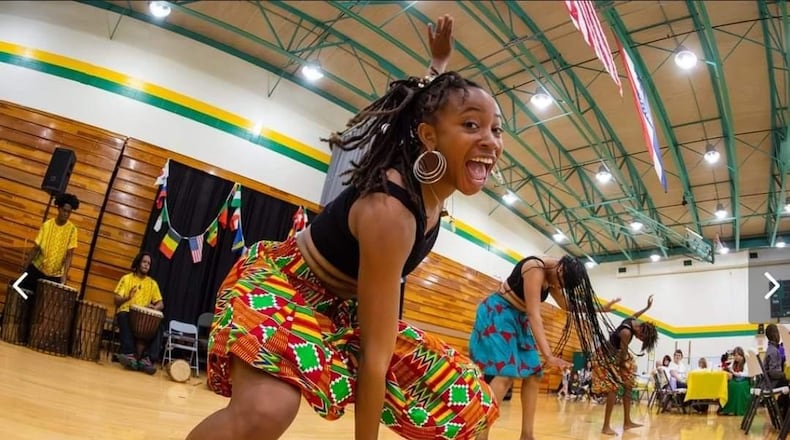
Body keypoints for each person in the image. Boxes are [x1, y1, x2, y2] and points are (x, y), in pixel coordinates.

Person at [187, 17, 504, 440]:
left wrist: (438, 63)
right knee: (267, 409)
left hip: (343, 312)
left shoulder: (428, 182)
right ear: (429, 137)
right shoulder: (390, 212)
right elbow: (376, 357)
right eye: (471, 125)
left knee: (471, 403)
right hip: (284, 289)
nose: (490, 140)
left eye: (496, 129)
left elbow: (417, 107)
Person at [469, 255, 622, 440]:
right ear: (560, 269)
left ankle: (527, 435)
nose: (560, 287)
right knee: (505, 374)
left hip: (518, 319)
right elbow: (534, 314)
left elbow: (567, 305)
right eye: (562, 283)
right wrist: (548, 355)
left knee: (534, 374)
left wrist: (600, 309)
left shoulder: (553, 277)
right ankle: (480, 435)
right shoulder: (535, 268)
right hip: (498, 313)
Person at [592, 295, 658, 436]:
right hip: (606, 356)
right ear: (640, 330)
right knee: (613, 388)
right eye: (641, 338)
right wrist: (621, 373)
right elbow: (622, 356)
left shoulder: (633, 322)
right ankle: (605, 426)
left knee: (628, 384)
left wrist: (647, 307)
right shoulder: (626, 333)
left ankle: (627, 422)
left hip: (618, 354)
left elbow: (636, 315)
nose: (640, 340)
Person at [113, 251, 164, 375]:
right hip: (127, 311)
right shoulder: (127, 279)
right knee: (124, 315)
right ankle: (129, 354)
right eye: (144, 262)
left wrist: (154, 307)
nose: (146, 265)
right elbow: (115, 299)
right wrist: (127, 297)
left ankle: (147, 359)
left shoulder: (152, 283)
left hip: (142, 318)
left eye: (149, 263)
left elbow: (161, 304)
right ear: (138, 262)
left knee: (160, 325)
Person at [19, 192, 79, 291]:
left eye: (69, 212)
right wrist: (25, 267)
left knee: (45, 305)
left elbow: (69, 255)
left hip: (55, 275)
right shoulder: (47, 225)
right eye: (64, 211)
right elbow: (36, 248)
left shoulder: (73, 230)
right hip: (37, 269)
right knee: (24, 296)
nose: (66, 214)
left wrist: (64, 275)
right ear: (58, 209)